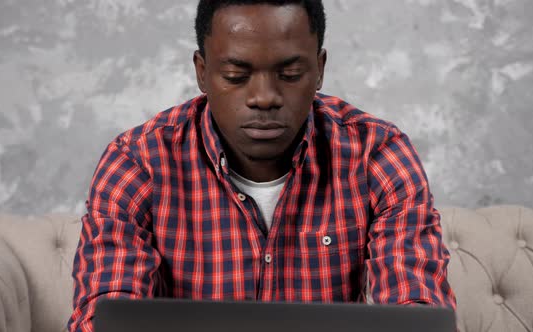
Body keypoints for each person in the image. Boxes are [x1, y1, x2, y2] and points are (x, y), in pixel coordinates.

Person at [68, 0, 456, 331]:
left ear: (319, 68)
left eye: (289, 75)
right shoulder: (138, 164)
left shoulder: (378, 154)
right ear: (202, 72)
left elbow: (415, 308)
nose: (264, 98)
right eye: (236, 76)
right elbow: (105, 318)